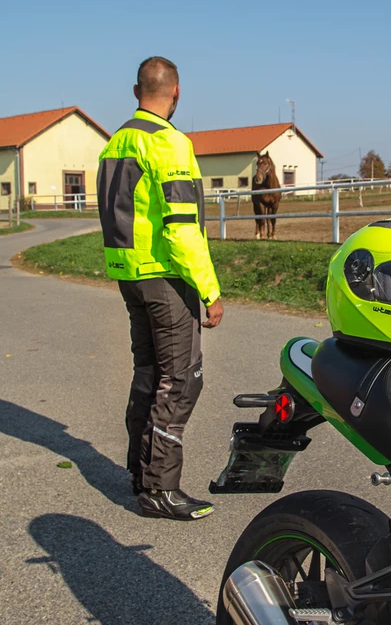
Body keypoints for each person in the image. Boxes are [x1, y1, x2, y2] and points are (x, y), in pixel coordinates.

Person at [97, 56, 224, 521]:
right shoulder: (169, 144)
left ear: (136, 92)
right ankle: (160, 488)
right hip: (165, 275)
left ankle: (141, 473)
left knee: (149, 373)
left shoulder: (114, 143)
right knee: (181, 379)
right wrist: (209, 290)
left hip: (129, 274)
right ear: (176, 92)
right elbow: (182, 229)